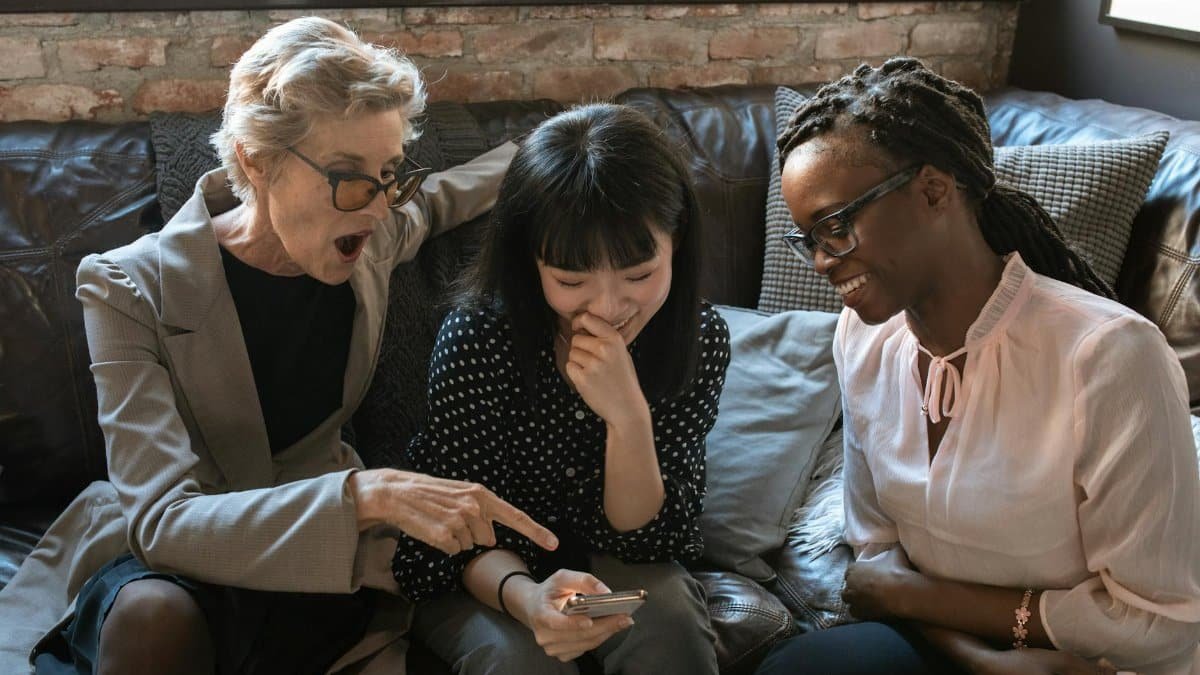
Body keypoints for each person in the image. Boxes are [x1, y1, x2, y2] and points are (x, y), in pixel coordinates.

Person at [0, 16, 558, 675]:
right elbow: (161, 522)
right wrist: (365, 494)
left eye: (389, 174)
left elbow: (432, 204)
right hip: (180, 559)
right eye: (352, 176)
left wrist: (545, 147)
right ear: (254, 160)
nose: (379, 208)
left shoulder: (370, 234)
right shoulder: (126, 286)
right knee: (154, 620)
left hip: (315, 554)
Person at [755, 58, 1200, 675]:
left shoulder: (1109, 356)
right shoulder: (862, 338)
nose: (821, 262)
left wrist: (926, 601)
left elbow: (1160, 622)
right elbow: (878, 558)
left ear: (934, 190)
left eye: (834, 227)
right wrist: (979, 659)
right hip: (945, 644)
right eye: (806, 239)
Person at [390, 103, 731, 674]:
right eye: (571, 280)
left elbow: (648, 541)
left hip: (617, 555)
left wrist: (628, 419)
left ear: (677, 244)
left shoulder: (698, 338)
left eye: (640, 275)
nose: (609, 308)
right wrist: (527, 598)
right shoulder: (479, 335)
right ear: (532, 263)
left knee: (669, 628)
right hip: (487, 571)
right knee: (522, 660)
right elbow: (454, 533)